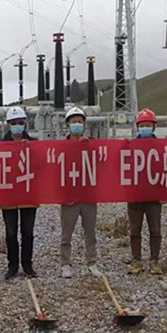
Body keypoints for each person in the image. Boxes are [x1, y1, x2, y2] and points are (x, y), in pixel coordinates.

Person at [60, 106, 103, 278]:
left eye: (80, 121)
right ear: (68, 125)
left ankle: (92, 262)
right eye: (74, 122)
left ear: (84, 124)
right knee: (66, 233)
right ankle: (65, 264)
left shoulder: (92, 143)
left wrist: (90, 147)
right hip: (69, 196)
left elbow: (102, 162)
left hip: (88, 195)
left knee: (90, 232)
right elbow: (55, 169)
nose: (77, 124)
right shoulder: (62, 146)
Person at [0, 106, 38, 280]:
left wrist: (31, 149)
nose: (17, 125)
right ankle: (13, 265)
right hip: (8, 194)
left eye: (20, 122)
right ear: (8, 125)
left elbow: (42, 166)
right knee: (11, 232)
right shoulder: (0, 146)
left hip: (29, 193)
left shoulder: (34, 144)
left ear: (25, 123)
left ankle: (27, 265)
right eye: (14, 123)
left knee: (28, 232)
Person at [127, 108, 163, 275]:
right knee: (135, 230)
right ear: (138, 127)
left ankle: (154, 260)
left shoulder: (161, 148)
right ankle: (136, 260)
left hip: (154, 196)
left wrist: (165, 193)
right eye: (142, 125)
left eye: (148, 125)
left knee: (155, 230)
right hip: (135, 195)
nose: (145, 128)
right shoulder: (130, 146)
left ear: (154, 127)